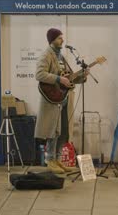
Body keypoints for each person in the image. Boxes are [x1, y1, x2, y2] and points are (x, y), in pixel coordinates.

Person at [34, 28, 88, 174]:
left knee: (63, 130)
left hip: (64, 99)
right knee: (53, 131)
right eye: (59, 38)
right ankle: (50, 159)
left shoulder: (61, 57)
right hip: (52, 100)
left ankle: (57, 159)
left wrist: (83, 75)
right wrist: (58, 79)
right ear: (52, 40)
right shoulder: (46, 55)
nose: (62, 40)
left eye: (62, 38)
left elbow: (69, 78)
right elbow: (39, 74)